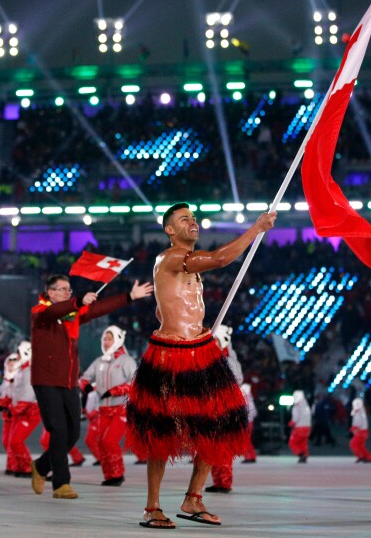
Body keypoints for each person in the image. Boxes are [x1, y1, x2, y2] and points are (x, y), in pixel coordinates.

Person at [127, 202, 276, 529]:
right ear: (170, 230)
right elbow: (221, 259)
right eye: (184, 219)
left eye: (194, 218)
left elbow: (165, 308)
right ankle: (152, 507)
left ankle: (193, 498)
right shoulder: (170, 258)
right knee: (162, 432)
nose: (192, 223)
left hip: (200, 349)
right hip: (171, 353)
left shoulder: (186, 266)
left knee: (219, 424)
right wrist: (257, 229)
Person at [30, 273, 153, 500]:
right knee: (58, 430)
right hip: (46, 380)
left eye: (69, 290)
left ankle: (40, 466)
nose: (68, 292)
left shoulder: (72, 316)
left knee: (73, 433)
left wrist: (129, 296)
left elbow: (99, 309)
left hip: (68, 381)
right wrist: (76, 302)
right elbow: (52, 312)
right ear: (51, 292)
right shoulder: (40, 312)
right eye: (64, 289)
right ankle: (61, 484)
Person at [80, 325, 137, 486]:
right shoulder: (99, 361)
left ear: (118, 339)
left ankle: (118, 474)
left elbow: (134, 384)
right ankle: (109, 475)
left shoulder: (126, 361)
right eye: (105, 338)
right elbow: (84, 378)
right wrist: (85, 385)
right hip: (103, 410)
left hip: (121, 409)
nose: (106, 342)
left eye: (110, 338)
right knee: (100, 442)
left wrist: (114, 391)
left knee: (109, 441)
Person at [205, 324, 244, 493]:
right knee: (212, 445)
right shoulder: (207, 361)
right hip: (210, 408)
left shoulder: (230, 361)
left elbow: (236, 381)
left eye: (216, 341)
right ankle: (218, 481)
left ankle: (225, 482)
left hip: (225, 409)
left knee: (223, 446)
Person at [8, 341, 41, 477]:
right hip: (22, 410)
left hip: (30, 411)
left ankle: (28, 467)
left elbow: (29, 392)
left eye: (19, 353)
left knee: (16, 440)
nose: (18, 356)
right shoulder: (23, 370)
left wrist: (17, 408)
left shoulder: (29, 370)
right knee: (13, 441)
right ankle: (22, 467)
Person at [0, 352, 19, 476]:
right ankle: (11, 464)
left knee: (12, 441)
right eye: (10, 360)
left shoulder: (19, 379)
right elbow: (1, 395)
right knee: (6, 441)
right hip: (8, 415)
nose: (12, 363)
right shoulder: (7, 380)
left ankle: (15, 465)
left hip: (16, 414)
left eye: (15, 360)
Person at [289, 390, 312, 463]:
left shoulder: (297, 406)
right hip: (307, 427)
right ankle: (305, 455)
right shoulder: (306, 405)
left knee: (292, 442)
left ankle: (300, 454)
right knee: (303, 443)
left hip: (300, 427)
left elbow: (296, 416)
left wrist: (292, 423)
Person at [349, 398, 371, 463]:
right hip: (363, 432)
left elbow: (358, 422)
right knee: (360, 445)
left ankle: (362, 456)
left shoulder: (358, 412)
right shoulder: (362, 412)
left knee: (353, 444)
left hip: (360, 432)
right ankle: (366, 457)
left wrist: (354, 427)